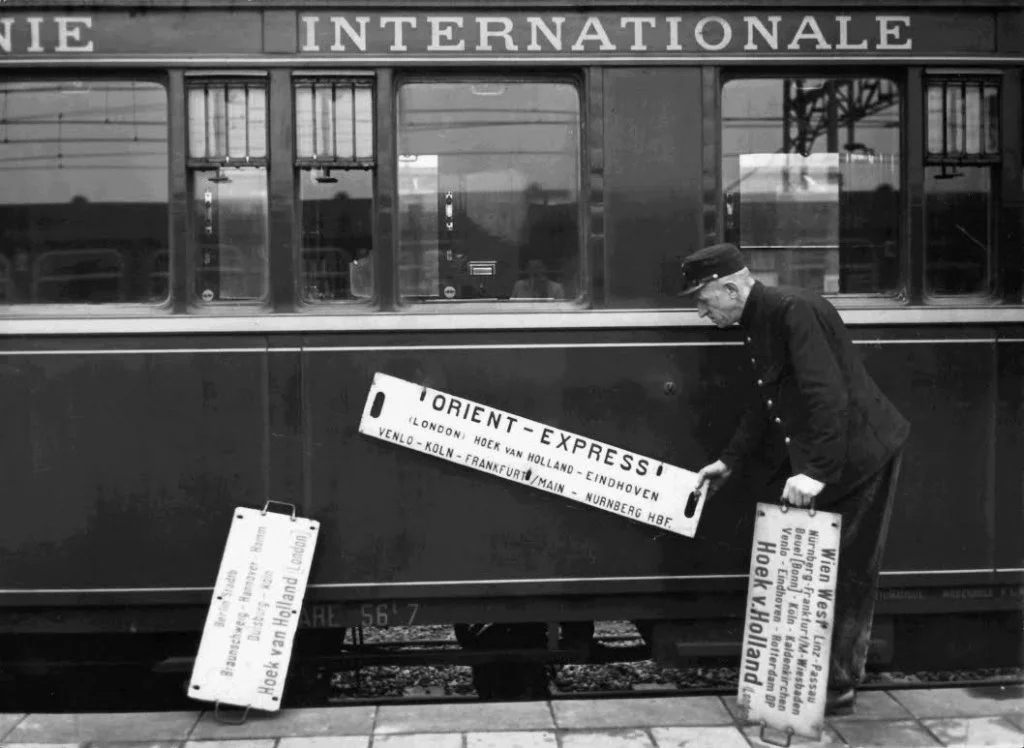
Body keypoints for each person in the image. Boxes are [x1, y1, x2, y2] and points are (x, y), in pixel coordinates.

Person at [683, 242, 910, 716]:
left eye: (704, 301)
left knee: (846, 572)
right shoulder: (762, 319)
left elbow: (827, 396)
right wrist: (730, 460)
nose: (702, 313)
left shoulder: (793, 312)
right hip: (835, 456)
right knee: (825, 569)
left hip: (860, 456)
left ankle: (837, 687)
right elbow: (766, 401)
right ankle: (817, 683)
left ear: (731, 286)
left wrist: (816, 474)